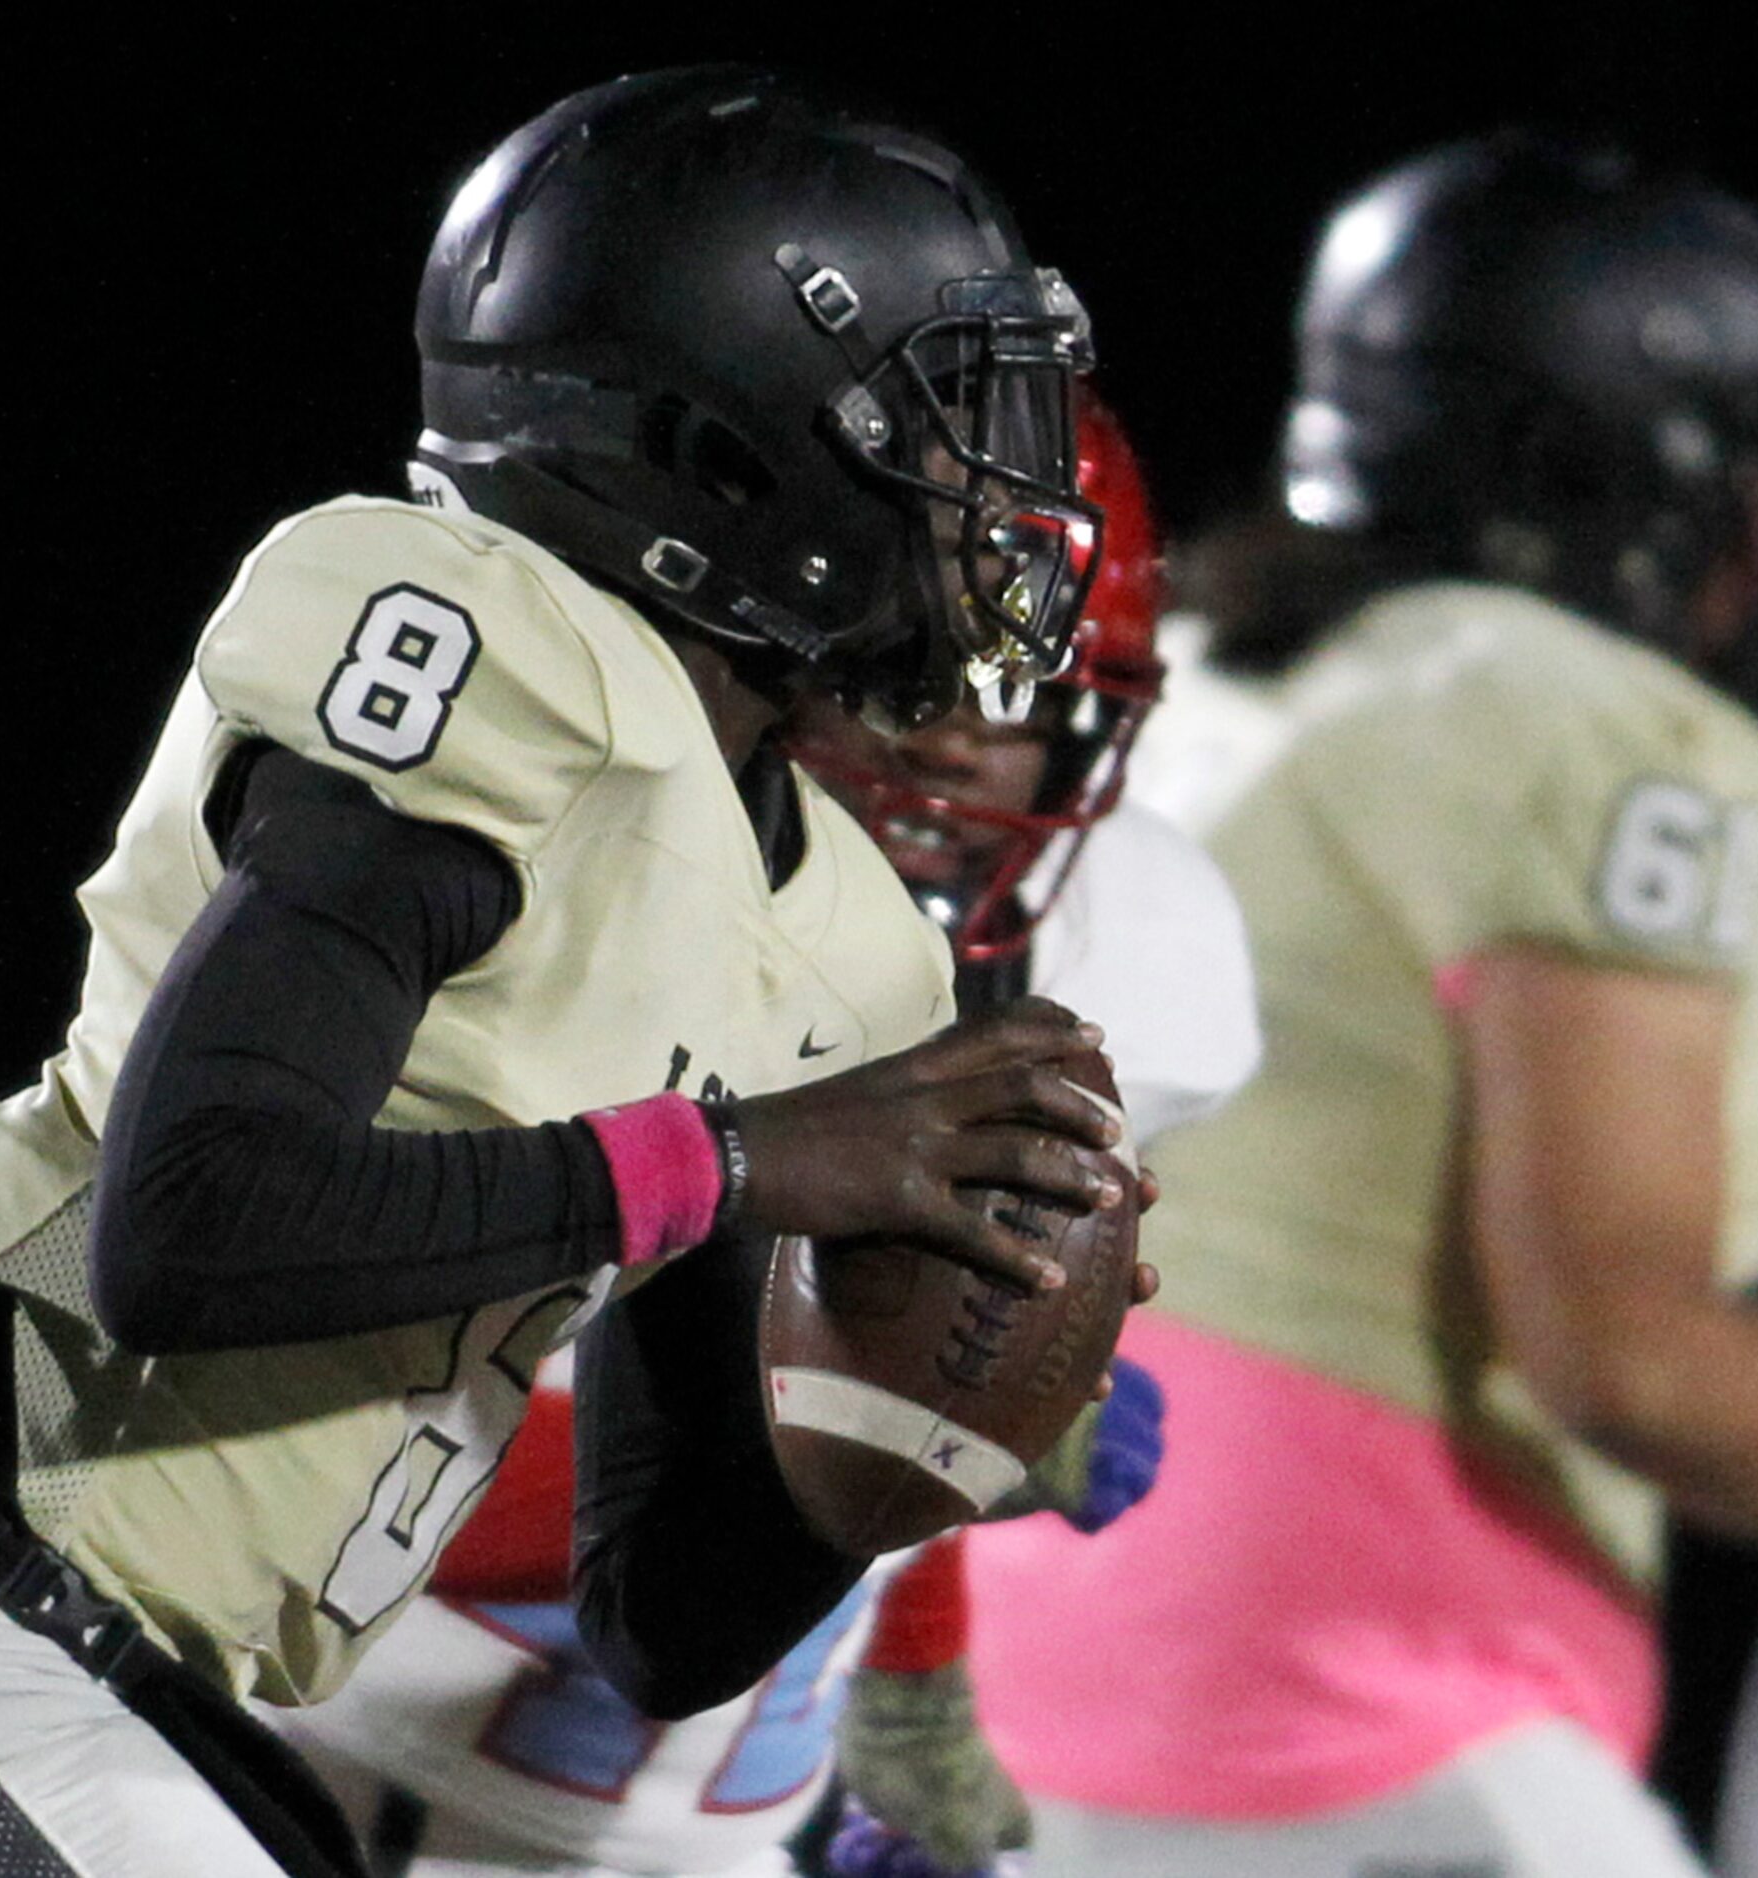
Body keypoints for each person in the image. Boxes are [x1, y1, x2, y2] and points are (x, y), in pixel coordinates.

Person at [0, 68, 1135, 1878]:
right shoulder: (490, 653)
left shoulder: (841, 931)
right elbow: (189, 1222)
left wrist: (929, 1423)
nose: (986, 494)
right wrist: (745, 1160)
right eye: (936, 425)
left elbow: (659, 1617)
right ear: (733, 444)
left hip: (142, 1698)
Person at [967, 130, 1758, 1876]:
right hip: (1336, 1729)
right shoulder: (1595, 728)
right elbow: (1631, 1360)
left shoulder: (1188, 671)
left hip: (987, 1688)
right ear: (1634, 478)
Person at [264, 396, 1260, 1878]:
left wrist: (903, 1677)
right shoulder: (571, 890)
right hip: (334, 1773)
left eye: (1018, 700)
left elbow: (882, 1374)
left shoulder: (1128, 951)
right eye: (922, 685)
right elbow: (310, 1478)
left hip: (689, 1822)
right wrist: (923, 1447)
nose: (959, 754)